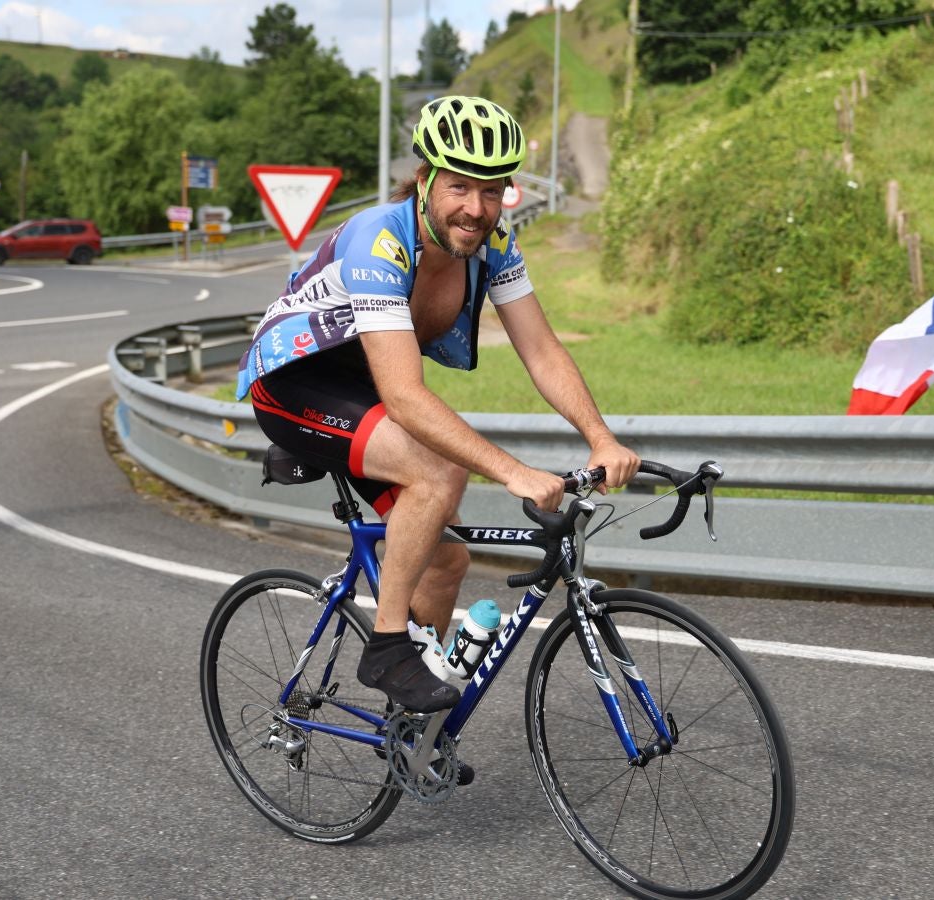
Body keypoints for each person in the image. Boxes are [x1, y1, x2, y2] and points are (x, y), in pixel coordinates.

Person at [237, 96, 640, 712]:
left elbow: (542, 351)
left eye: (493, 191)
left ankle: (408, 733)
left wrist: (600, 437)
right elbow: (403, 396)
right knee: (436, 473)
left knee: (447, 558)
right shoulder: (380, 240)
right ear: (424, 180)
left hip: (361, 391)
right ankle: (386, 646)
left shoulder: (493, 244)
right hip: (294, 386)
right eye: (459, 187)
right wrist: (514, 472)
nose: (476, 209)